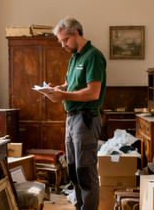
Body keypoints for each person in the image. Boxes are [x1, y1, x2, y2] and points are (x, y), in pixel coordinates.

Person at [43, 17, 107, 210]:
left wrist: (63, 95)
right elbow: (69, 85)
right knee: (74, 171)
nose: (63, 45)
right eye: (61, 41)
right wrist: (56, 89)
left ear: (76, 33)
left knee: (86, 172)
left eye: (65, 40)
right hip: (71, 119)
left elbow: (93, 92)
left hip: (86, 119)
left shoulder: (93, 56)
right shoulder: (74, 57)